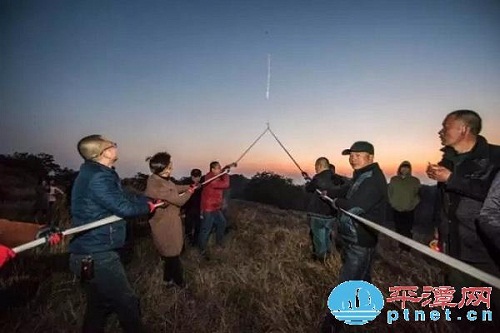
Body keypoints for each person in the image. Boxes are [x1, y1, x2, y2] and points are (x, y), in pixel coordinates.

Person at [68, 134, 159, 333]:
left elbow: (124, 199)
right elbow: (124, 209)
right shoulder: (98, 177)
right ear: (104, 152)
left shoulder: (99, 173)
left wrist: (148, 202)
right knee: (127, 302)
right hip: (96, 253)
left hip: (90, 250)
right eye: (113, 145)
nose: (116, 147)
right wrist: (148, 208)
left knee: (100, 304)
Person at [427, 110, 500, 329]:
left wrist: (452, 179)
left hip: (489, 247)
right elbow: (443, 202)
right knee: (459, 306)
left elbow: (493, 195)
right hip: (456, 245)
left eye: (445, 126)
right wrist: (438, 232)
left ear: (464, 129)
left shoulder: (495, 158)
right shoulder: (447, 160)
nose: (440, 132)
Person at [321, 141, 387, 333]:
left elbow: (354, 206)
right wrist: (329, 192)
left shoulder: (373, 179)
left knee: (348, 280)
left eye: (358, 155)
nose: (352, 158)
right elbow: (347, 190)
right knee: (363, 275)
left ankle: (332, 324)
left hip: (361, 238)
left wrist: (335, 201)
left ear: (370, 158)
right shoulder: (362, 176)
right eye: (351, 155)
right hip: (353, 236)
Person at [144, 152, 196, 288]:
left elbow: (175, 188)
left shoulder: (162, 179)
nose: (171, 169)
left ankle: (167, 280)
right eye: (168, 167)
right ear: (160, 168)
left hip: (170, 221)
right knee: (172, 254)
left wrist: (189, 186)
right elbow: (179, 201)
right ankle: (180, 284)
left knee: (170, 254)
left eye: (171, 166)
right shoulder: (156, 185)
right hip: (164, 225)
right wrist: (190, 192)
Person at [304, 157, 348, 262]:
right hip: (331, 215)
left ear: (320, 165)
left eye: (316, 167)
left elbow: (309, 188)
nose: (315, 169)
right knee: (327, 236)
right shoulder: (338, 178)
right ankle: (329, 258)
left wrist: (310, 182)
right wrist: (308, 178)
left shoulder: (318, 177)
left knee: (319, 240)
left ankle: (321, 262)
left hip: (318, 214)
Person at [198, 161, 234, 258]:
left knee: (222, 223)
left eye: (220, 167)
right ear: (213, 169)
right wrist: (226, 173)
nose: (220, 169)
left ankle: (219, 243)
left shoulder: (215, 174)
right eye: (218, 168)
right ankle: (202, 250)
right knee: (206, 229)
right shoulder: (210, 179)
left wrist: (227, 166)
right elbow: (226, 184)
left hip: (216, 207)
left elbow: (222, 171)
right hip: (209, 208)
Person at [388, 160, 421, 251]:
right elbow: (389, 193)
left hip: (409, 210)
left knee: (407, 230)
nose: (405, 169)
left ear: (410, 169)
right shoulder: (394, 179)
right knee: (398, 229)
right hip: (396, 209)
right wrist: (392, 203)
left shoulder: (415, 181)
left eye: (407, 167)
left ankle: (407, 249)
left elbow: (418, 195)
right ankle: (400, 247)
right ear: (400, 168)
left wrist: (413, 204)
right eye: (403, 167)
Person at [180, 168, 203, 246]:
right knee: (188, 226)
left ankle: (195, 242)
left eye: (197, 177)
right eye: (194, 177)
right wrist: (182, 210)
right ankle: (189, 241)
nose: (195, 179)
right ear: (191, 177)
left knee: (198, 226)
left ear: (200, 177)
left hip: (198, 209)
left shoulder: (203, 185)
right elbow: (182, 196)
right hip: (188, 209)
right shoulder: (187, 184)